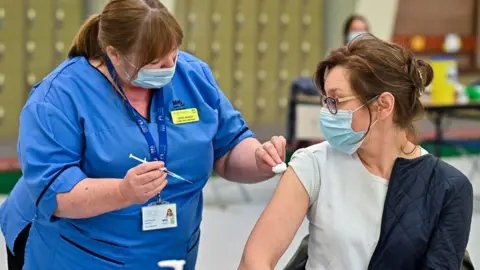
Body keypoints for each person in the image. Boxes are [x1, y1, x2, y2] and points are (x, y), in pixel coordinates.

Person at [0, 1, 286, 269]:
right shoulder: (59, 97)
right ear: (113, 53)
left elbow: (229, 146)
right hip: (77, 253)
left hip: (169, 251)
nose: (169, 69)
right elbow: (54, 192)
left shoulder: (192, 75)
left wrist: (259, 160)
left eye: (172, 55)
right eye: (155, 63)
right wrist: (123, 193)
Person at [238, 34, 473, 270]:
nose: (327, 111)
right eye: (326, 100)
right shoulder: (313, 164)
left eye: (336, 101)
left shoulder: (447, 187)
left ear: (383, 105)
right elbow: (255, 260)